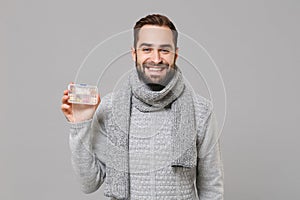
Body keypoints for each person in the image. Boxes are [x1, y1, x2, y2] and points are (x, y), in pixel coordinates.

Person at [61, 14, 224, 200]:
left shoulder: (201, 111)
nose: (156, 59)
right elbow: (89, 183)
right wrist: (81, 125)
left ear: (175, 54)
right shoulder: (110, 108)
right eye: (147, 49)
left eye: (164, 50)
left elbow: (211, 187)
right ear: (134, 53)